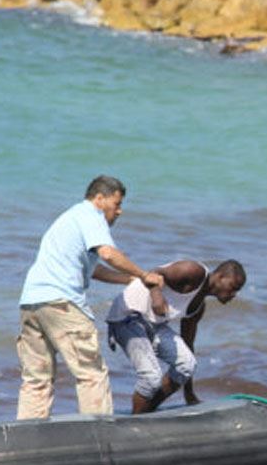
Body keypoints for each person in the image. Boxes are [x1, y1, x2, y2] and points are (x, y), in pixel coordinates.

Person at [15, 176, 161, 420]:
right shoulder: (91, 216)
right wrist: (144, 274)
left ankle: (26, 434)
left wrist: (131, 280)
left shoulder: (70, 219)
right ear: (99, 198)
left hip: (31, 302)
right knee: (91, 373)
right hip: (62, 303)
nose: (120, 211)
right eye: (117, 204)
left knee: (36, 378)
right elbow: (108, 254)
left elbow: (94, 270)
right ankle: (100, 433)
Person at [106, 259, 246, 414]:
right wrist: (156, 295)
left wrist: (189, 394)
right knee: (151, 377)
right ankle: (135, 422)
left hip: (154, 324)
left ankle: (146, 410)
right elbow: (154, 273)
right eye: (233, 287)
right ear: (220, 277)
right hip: (128, 314)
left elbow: (188, 344)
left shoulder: (197, 308)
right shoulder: (193, 271)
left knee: (187, 365)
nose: (234, 294)